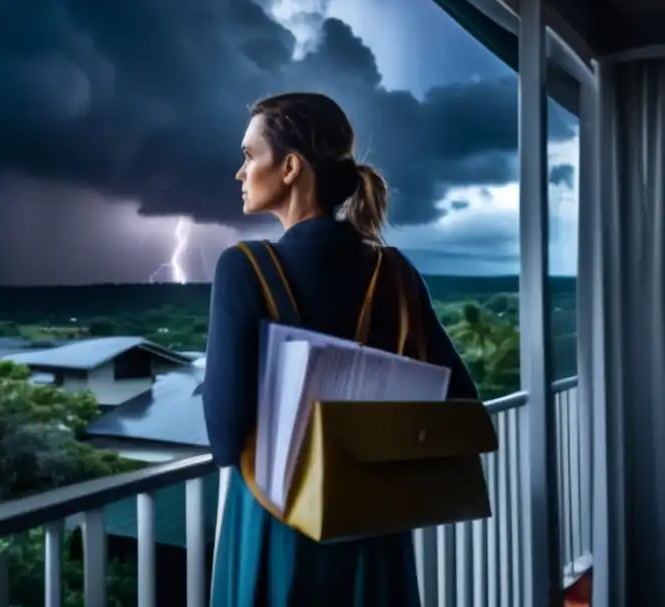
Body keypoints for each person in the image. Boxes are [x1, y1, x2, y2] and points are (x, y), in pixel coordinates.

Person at [203, 92, 478, 606]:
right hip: (371, 524)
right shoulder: (393, 270)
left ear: (289, 167)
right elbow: (460, 396)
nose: (240, 172)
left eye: (248, 156)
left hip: (277, 521)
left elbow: (223, 437)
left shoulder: (243, 268)